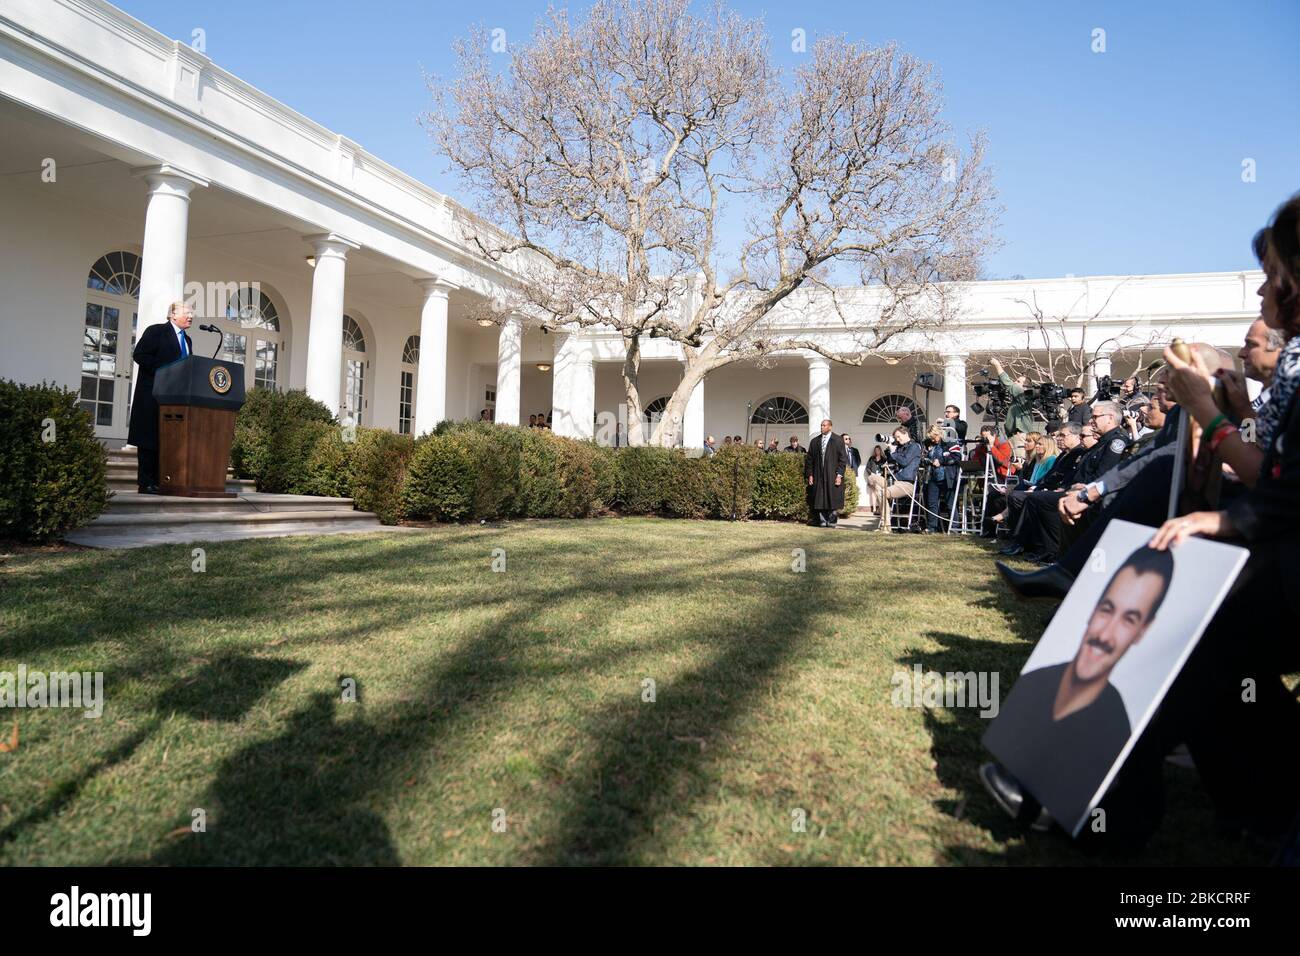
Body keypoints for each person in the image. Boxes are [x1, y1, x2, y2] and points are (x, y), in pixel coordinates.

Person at [981, 546, 1174, 834]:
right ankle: (1062, 574)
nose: (1105, 635)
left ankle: (1062, 574)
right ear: (1091, 607)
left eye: (1129, 620)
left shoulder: (1120, 719)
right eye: (1106, 610)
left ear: (1143, 631)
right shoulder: (1038, 681)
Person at [128, 301, 194, 494]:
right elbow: (140, 355)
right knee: (148, 439)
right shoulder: (156, 331)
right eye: (187, 313)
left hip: (175, 398)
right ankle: (146, 482)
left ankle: (161, 480)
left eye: (191, 313)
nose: (191, 316)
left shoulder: (188, 340)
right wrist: (165, 370)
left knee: (165, 439)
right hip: (152, 394)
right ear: (173, 315)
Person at [866, 425, 921, 525]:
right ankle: (885, 521)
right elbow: (892, 460)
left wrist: (894, 451)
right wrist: (889, 448)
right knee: (872, 478)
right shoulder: (899, 447)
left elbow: (904, 461)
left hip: (906, 484)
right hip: (892, 480)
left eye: (899, 437)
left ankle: (886, 524)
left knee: (881, 492)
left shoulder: (914, 446)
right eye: (896, 438)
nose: (897, 439)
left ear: (906, 434)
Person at [805, 418, 848, 527]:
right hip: (818, 474)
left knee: (832, 498)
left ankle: (832, 521)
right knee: (820, 498)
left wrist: (839, 475)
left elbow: (843, 459)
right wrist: (810, 474)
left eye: (824, 425)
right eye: (821, 425)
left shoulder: (838, 440)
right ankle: (823, 521)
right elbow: (809, 459)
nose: (822, 427)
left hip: (832, 474)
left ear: (830, 427)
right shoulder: (815, 441)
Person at [988, 357, 1035, 454]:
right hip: (1013, 436)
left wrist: (997, 365)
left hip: (1020, 436)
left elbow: (1007, 383)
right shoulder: (1017, 399)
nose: (1014, 383)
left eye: (1018, 382)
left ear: (1025, 387)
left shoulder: (1022, 395)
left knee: (1019, 463)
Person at [922, 423, 961, 532]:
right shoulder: (929, 444)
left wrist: (942, 462)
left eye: (934, 437)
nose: (933, 440)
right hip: (932, 477)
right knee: (931, 503)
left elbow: (957, 457)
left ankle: (954, 527)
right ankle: (931, 527)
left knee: (950, 503)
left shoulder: (950, 442)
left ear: (939, 434)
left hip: (947, 477)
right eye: (931, 438)